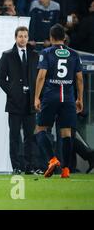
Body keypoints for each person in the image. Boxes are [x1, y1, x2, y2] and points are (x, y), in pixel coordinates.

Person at [34, 24, 84, 179]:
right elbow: (80, 78)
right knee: (66, 133)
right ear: (64, 38)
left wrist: (36, 97)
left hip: (51, 96)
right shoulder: (74, 54)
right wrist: (80, 98)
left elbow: (42, 75)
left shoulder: (46, 52)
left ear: (50, 38)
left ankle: (53, 159)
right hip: (68, 98)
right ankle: (66, 170)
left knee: (40, 129)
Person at [0, 26, 40, 175]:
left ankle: (29, 166)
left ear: (28, 38)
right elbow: (0, 78)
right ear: (15, 37)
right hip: (14, 103)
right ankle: (15, 166)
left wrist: (37, 96)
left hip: (30, 103)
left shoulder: (35, 55)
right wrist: (12, 92)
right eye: (20, 36)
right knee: (14, 136)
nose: (23, 39)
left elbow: (40, 78)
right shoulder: (7, 55)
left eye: (25, 36)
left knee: (30, 136)